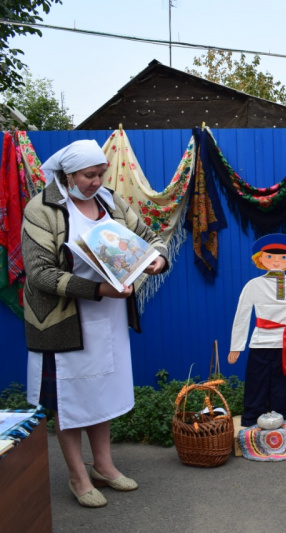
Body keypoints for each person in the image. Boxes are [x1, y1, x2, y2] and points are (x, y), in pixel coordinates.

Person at [22, 139, 168, 508]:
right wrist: (99, 288)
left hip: (108, 317)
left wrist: (157, 260)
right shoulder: (42, 209)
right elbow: (39, 273)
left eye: (101, 173)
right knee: (71, 398)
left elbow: (152, 239)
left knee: (100, 393)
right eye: (90, 175)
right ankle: (78, 475)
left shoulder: (111, 201)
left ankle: (104, 465)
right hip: (62, 320)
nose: (97, 181)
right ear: (68, 175)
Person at [229, 234, 286, 426]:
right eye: (270, 256)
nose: (276, 261)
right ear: (260, 258)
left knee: (281, 382)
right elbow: (241, 316)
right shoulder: (253, 285)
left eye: (283, 257)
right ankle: (251, 418)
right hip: (260, 340)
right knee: (255, 381)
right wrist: (237, 346)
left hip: (283, 344)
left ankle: (280, 416)